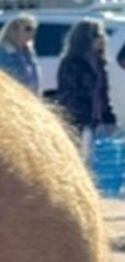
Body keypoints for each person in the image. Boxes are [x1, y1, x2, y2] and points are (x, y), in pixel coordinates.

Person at [56, 17, 116, 158]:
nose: (101, 39)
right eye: (96, 35)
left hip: (97, 120)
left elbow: (103, 94)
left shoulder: (100, 63)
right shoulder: (72, 63)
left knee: (98, 157)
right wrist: (83, 119)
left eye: (102, 35)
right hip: (78, 119)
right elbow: (71, 94)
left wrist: (109, 118)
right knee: (78, 155)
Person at [0, 14, 42, 95]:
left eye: (33, 29)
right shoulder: (1, 55)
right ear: (12, 31)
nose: (32, 33)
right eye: (27, 29)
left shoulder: (29, 54)